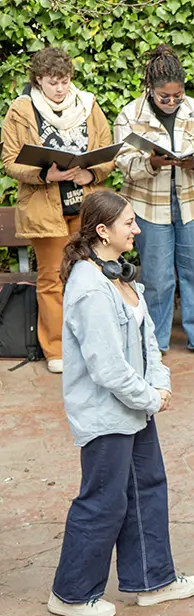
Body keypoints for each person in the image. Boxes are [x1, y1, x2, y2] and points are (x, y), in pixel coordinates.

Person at [48, 191, 194, 616]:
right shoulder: (89, 287)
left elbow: (149, 340)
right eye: (129, 223)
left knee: (148, 489)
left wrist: (160, 383)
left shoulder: (122, 276)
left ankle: (153, 581)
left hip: (136, 409)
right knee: (104, 501)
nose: (137, 230)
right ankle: (72, 593)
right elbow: (107, 368)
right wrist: (150, 397)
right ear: (103, 231)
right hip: (106, 415)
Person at [0, 47, 115, 374]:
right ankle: (57, 349)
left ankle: (93, 343)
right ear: (38, 80)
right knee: (52, 278)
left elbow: (107, 152)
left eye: (65, 81)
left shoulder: (89, 104)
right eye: (53, 82)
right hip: (45, 208)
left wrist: (91, 173)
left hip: (86, 206)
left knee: (91, 276)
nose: (61, 88)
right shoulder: (21, 111)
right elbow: (9, 161)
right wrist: (43, 174)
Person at [114, 44, 194, 358]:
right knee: (156, 277)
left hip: (191, 202)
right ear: (150, 90)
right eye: (164, 97)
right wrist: (152, 164)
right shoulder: (130, 114)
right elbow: (122, 161)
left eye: (178, 95)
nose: (172, 102)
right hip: (148, 205)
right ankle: (156, 339)